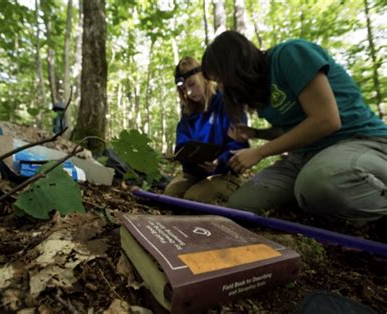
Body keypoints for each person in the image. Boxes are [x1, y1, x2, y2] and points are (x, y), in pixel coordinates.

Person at [201, 30, 387, 223]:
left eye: (221, 79)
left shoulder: (290, 54)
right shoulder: (259, 90)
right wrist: (256, 133)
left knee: (319, 184)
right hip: (304, 156)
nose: (221, 87)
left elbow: (326, 120)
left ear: (233, 66)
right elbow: (291, 129)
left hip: (358, 141)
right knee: (242, 206)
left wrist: (260, 152)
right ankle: (314, 201)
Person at [164, 56, 249, 204]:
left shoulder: (227, 103)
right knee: (171, 196)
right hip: (195, 174)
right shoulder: (188, 113)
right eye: (184, 89)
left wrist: (220, 161)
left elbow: (240, 145)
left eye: (192, 84)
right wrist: (187, 156)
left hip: (225, 174)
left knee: (196, 199)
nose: (189, 93)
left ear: (204, 77)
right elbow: (182, 144)